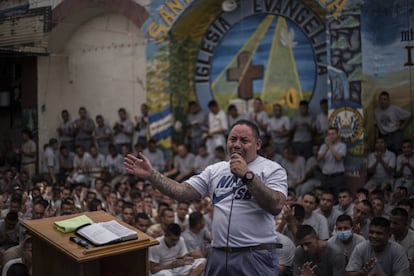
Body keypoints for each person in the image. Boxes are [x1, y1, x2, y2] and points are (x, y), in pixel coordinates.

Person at [124, 119, 287, 275]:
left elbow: (276, 205)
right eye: (233, 139)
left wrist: (248, 176)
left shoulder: (272, 169)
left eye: (244, 140)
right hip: (219, 254)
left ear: (258, 144)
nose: (237, 144)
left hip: (254, 254)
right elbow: (181, 191)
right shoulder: (216, 170)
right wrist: (151, 175)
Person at [345, 216, 409, 275]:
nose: (374, 236)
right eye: (371, 232)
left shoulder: (398, 251)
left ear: (389, 235)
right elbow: (348, 274)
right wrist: (362, 272)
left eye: (379, 233)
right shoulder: (361, 247)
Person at [374, 90, 411, 155]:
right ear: (379, 100)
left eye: (384, 99)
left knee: (399, 152)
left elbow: (408, 115)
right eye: (381, 99)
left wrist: (402, 126)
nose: (382, 101)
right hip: (384, 136)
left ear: (388, 100)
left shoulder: (394, 109)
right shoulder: (376, 112)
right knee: (387, 154)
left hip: (395, 134)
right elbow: (375, 125)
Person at [317, 127, 347, 196]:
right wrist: (327, 147)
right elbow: (319, 158)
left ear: (337, 134)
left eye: (333, 134)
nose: (330, 136)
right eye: (329, 134)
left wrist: (330, 145)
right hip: (326, 176)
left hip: (337, 176)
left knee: (337, 196)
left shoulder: (342, 146)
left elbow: (338, 157)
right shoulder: (323, 146)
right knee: (326, 197)